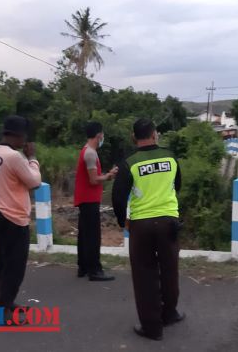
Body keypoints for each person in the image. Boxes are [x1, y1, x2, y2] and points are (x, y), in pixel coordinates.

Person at [112, 118, 184, 341]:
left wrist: (121, 220)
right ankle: (169, 313)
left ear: (134, 137)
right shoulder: (170, 157)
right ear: (154, 134)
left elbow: (118, 196)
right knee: (170, 269)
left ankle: (152, 328)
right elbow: (177, 185)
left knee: (144, 275)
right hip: (168, 222)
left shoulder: (129, 162)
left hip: (141, 225)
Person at [0, 115, 41, 322]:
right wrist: (33, 158)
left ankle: (7, 302)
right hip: (13, 218)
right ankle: (5, 310)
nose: (26, 140)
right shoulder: (14, 157)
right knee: (15, 267)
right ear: (18, 136)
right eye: (25, 136)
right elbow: (34, 181)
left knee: (3, 262)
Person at [74, 121, 118, 281]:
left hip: (85, 198)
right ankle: (95, 270)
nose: (103, 137)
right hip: (89, 199)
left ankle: (83, 267)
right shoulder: (90, 153)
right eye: (102, 134)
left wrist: (106, 174)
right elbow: (93, 180)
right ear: (99, 135)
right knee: (93, 236)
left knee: (84, 235)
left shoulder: (87, 151)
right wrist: (108, 176)